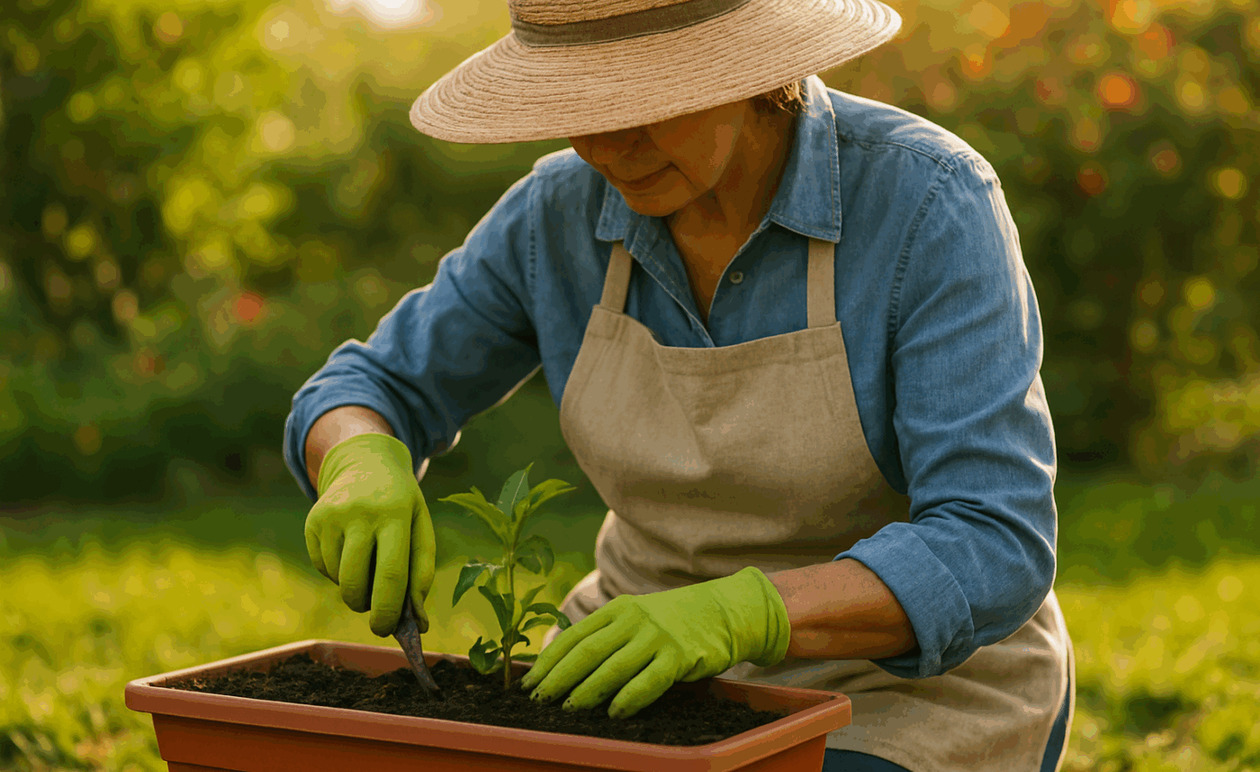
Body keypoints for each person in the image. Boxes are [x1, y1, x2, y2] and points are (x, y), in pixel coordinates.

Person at [283, 0, 1075, 769]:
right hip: (632, 664)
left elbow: (991, 539)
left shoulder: (925, 200)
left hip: (907, 692)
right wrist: (359, 461)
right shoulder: (556, 215)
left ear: (752, 70)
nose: (607, 144)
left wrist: (743, 613)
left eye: (644, 101)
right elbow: (371, 383)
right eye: (576, 105)